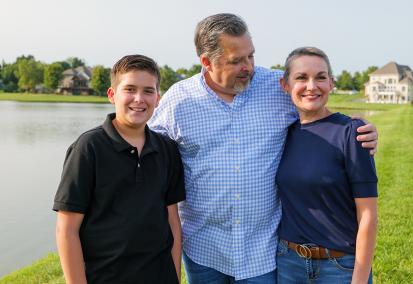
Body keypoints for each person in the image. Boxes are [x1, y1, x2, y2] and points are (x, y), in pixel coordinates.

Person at [148, 13, 378, 283]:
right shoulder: (178, 100)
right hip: (204, 250)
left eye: (251, 56)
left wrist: (361, 130)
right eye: (237, 60)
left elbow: (315, 101)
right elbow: (144, 146)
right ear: (207, 62)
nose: (248, 67)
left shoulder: (276, 86)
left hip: (261, 253)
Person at [53, 55, 185, 284]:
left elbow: (172, 221)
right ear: (112, 95)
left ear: (158, 98)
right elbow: (66, 230)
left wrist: (174, 277)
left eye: (148, 91)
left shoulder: (167, 149)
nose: (139, 99)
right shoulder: (88, 148)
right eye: (130, 89)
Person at [275, 47, 378, 284]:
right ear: (285, 85)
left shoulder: (352, 133)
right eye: (301, 77)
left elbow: (368, 215)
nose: (312, 86)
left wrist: (360, 278)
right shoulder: (282, 133)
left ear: (331, 83)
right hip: (288, 263)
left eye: (320, 77)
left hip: (340, 266)